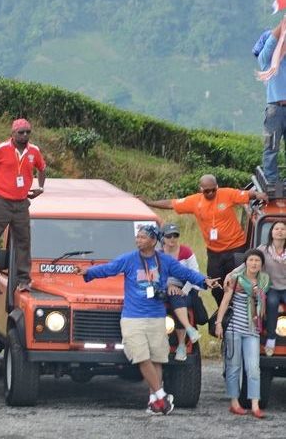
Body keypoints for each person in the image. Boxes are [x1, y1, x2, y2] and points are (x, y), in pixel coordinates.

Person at [79, 225, 211, 415]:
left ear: (152, 241)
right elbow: (109, 268)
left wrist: (204, 281)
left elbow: (187, 274)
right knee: (141, 357)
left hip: (156, 316)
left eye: (142, 237)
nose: (138, 240)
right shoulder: (129, 259)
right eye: (137, 237)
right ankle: (161, 396)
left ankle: (153, 402)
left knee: (157, 359)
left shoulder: (164, 261)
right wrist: (88, 273)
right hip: (133, 317)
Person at [143, 174, 267, 305]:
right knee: (215, 286)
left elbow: (247, 194)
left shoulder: (227, 194)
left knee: (238, 284)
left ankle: (238, 312)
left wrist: (259, 195)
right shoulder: (195, 201)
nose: (211, 193)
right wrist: (149, 202)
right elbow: (171, 204)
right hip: (215, 252)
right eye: (207, 190)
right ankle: (224, 311)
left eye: (214, 189)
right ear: (201, 189)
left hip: (236, 248)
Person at [0, 118, 46, 292]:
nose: (25, 135)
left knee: (23, 242)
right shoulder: (1, 148)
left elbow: (42, 168)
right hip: (1, 202)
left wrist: (40, 187)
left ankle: (24, 280)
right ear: (12, 133)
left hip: (21, 204)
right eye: (21, 132)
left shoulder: (34, 151)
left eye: (28, 132)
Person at [215, 249, 269, 419]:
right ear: (245, 262)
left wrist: (254, 290)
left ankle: (255, 405)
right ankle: (234, 403)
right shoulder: (235, 278)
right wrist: (218, 323)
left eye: (257, 261)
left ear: (261, 264)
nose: (254, 264)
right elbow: (225, 301)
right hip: (233, 328)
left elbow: (262, 297)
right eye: (251, 260)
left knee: (253, 368)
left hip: (253, 329)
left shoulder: (264, 281)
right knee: (234, 367)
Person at [225, 220, 286, 357]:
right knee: (271, 303)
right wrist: (231, 274)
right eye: (277, 228)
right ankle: (271, 338)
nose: (280, 231)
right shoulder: (263, 249)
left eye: (283, 229)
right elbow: (247, 262)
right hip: (272, 287)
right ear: (272, 232)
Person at [159, 223, 203, 361]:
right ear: (163, 238)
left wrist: (184, 290)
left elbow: (195, 273)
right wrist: (169, 285)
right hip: (164, 288)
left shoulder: (186, 252)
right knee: (167, 299)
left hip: (185, 288)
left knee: (178, 297)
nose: (172, 239)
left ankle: (182, 345)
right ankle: (186, 333)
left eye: (175, 235)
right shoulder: (158, 254)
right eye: (169, 236)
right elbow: (154, 275)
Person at [258, 15, 286, 183]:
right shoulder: (267, 61)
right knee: (271, 147)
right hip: (275, 109)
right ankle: (271, 180)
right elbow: (271, 44)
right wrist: (283, 24)